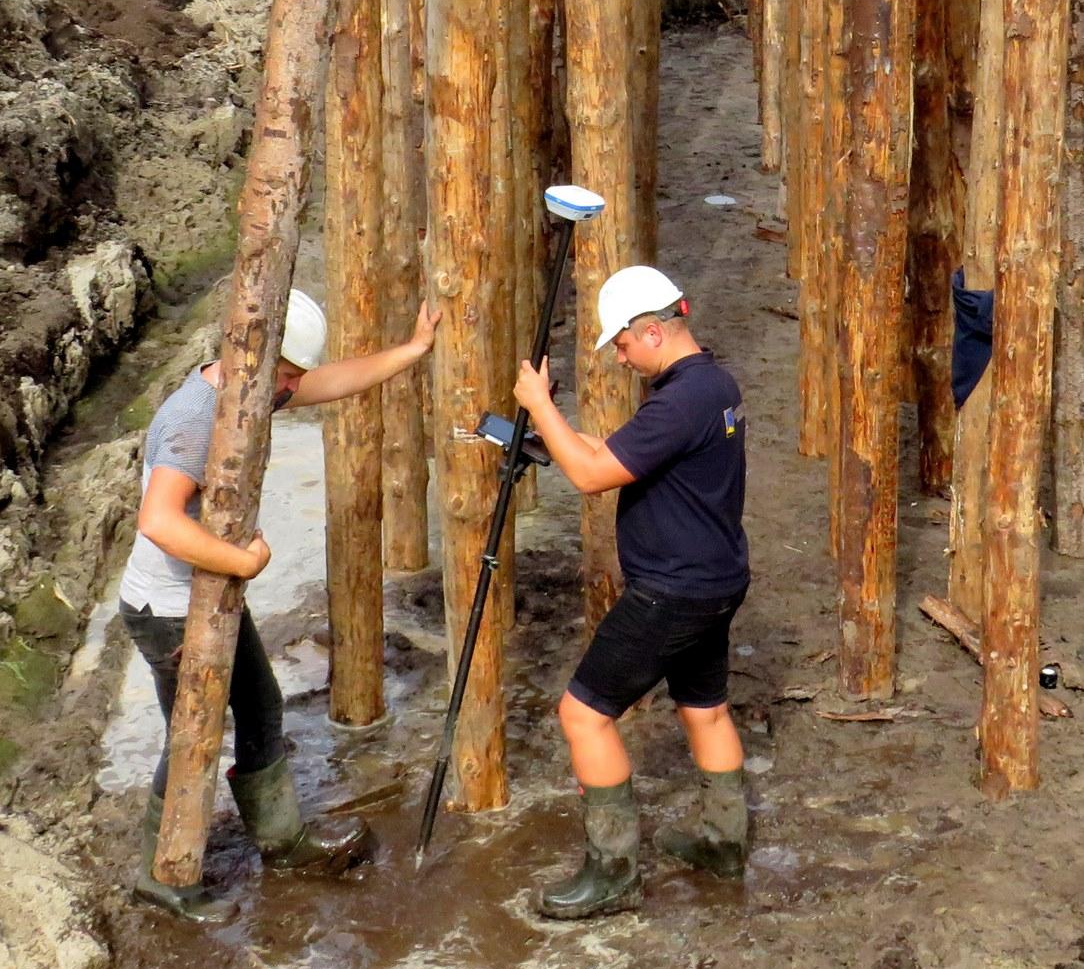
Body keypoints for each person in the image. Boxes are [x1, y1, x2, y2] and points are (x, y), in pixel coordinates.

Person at [119, 288, 439, 921]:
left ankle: (280, 840)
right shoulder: (194, 419)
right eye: (287, 375)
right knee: (192, 737)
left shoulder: (253, 389)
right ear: (256, 360)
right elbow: (157, 519)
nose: (294, 387)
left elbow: (332, 381)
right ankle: (166, 874)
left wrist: (414, 349)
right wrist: (244, 563)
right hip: (169, 608)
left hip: (205, 596)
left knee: (260, 707)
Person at [512, 265, 750, 921]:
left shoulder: (677, 401)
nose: (617, 356)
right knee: (706, 710)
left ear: (651, 332)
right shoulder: (712, 385)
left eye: (620, 344)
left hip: (672, 591)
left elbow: (592, 476)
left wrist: (540, 406)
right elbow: (617, 454)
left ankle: (612, 870)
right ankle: (723, 844)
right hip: (718, 578)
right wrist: (547, 437)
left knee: (583, 714)